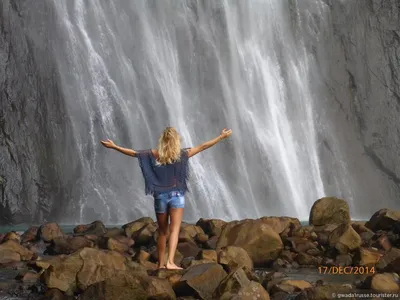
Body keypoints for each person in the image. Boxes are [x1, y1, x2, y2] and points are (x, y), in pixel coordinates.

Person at [101, 127, 232, 269]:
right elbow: (203, 146)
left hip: (160, 197)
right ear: (176, 140)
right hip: (177, 196)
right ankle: (170, 262)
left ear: (162, 140)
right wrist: (220, 137)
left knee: (162, 231)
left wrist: (114, 146)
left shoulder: (155, 154)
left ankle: (160, 264)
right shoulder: (183, 154)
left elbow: (134, 153)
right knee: (174, 230)